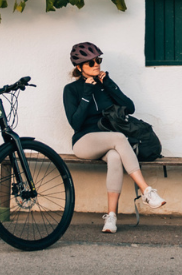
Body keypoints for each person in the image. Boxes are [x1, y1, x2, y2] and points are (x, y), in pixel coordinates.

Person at [62, 42, 167, 233]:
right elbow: (75, 123)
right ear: (79, 68)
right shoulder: (71, 90)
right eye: (90, 63)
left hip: (108, 141)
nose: (96, 65)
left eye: (98, 60)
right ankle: (147, 191)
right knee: (119, 138)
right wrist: (86, 93)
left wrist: (108, 84)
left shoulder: (104, 85)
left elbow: (130, 107)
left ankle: (111, 217)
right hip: (84, 142)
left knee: (115, 157)